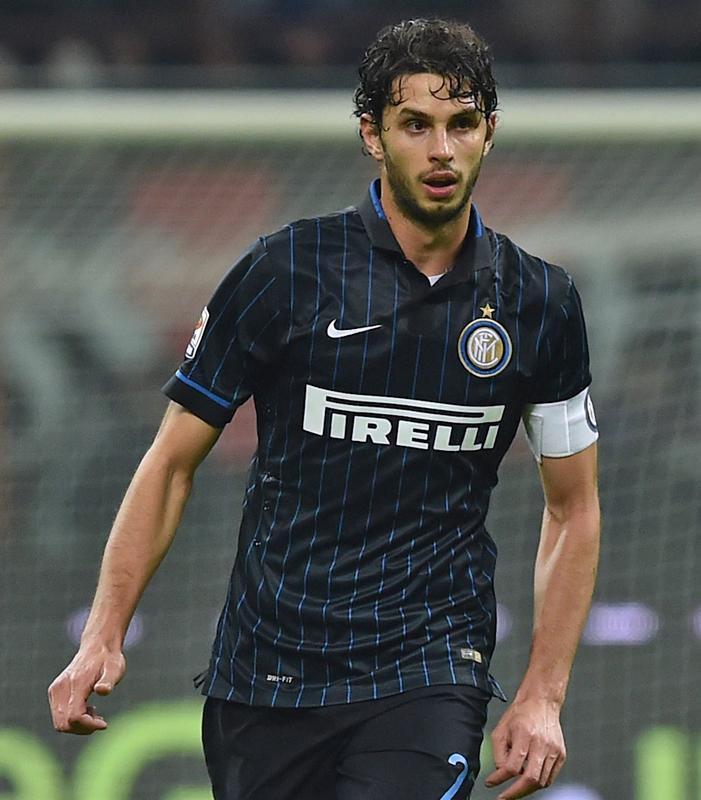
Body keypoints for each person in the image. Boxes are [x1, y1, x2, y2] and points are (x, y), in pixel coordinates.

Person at [48, 18, 600, 800]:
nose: (442, 150)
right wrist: (101, 635)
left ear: (488, 132)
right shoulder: (285, 271)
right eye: (415, 125)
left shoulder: (539, 301)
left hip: (429, 670)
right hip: (267, 675)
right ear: (372, 134)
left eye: (461, 124)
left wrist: (543, 694)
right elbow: (170, 463)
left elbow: (572, 506)